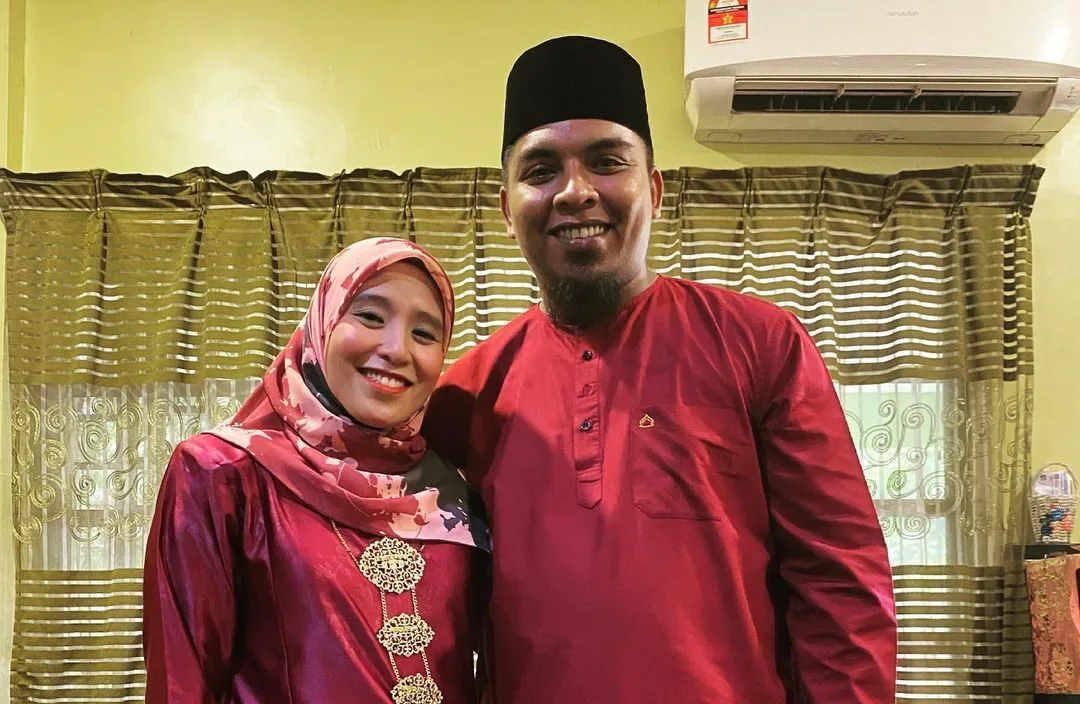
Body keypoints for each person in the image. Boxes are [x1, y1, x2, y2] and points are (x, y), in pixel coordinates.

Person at [421, 35, 897, 703]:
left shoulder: (761, 344)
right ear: (507, 209)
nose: (574, 192)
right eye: (540, 170)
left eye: (607, 162)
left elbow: (841, 584)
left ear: (654, 190)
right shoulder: (466, 394)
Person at [143, 237, 490, 704]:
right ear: (323, 323)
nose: (397, 349)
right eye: (371, 316)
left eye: (424, 334)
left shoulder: (455, 495)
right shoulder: (224, 473)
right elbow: (182, 680)